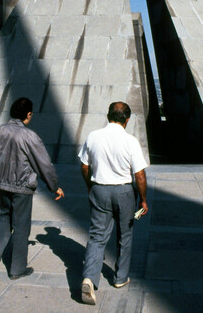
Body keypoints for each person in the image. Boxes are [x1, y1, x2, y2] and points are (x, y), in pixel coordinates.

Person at [0, 97, 65, 280]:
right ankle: (17, 269)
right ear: (29, 114)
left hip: (1, 184)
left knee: (4, 217)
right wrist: (54, 186)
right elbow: (44, 165)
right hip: (22, 187)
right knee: (21, 226)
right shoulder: (30, 136)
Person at [78, 101, 148, 305]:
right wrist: (143, 199)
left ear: (108, 116)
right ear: (127, 121)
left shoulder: (93, 136)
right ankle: (120, 278)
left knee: (98, 235)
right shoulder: (131, 141)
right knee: (125, 235)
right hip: (125, 191)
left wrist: (90, 186)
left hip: (99, 188)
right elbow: (140, 175)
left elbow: (84, 166)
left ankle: (89, 278)